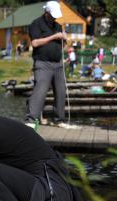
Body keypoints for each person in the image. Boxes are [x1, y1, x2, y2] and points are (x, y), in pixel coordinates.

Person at [24, 1, 69, 129]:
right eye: (52, 15)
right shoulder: (36, 24)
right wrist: (54, 36)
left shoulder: (58, 26)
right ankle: (31, 119)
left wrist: (64, 40)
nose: (54, 18)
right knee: (40, 90)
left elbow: (62, 46)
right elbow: (35, 43)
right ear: (46, 12)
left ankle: (59, 119)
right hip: (43, 63)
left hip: (58, 63)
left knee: (61, 91)